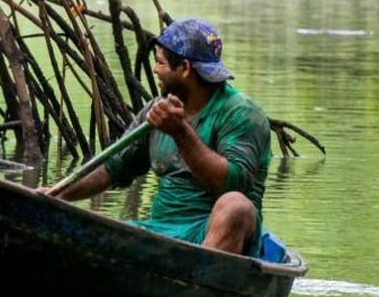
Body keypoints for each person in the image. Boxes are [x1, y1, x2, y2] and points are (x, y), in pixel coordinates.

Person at [48, 17, 271, 256]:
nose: (154, 69)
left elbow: (232, 184)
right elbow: (111, 168)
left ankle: (198, 281)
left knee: (235, 205)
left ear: (184, 68)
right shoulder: (157, 110)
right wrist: (54, 195)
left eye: (160, 62)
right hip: (159, 230)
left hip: (209, 231)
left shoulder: (242, 113)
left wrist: (181, 132)